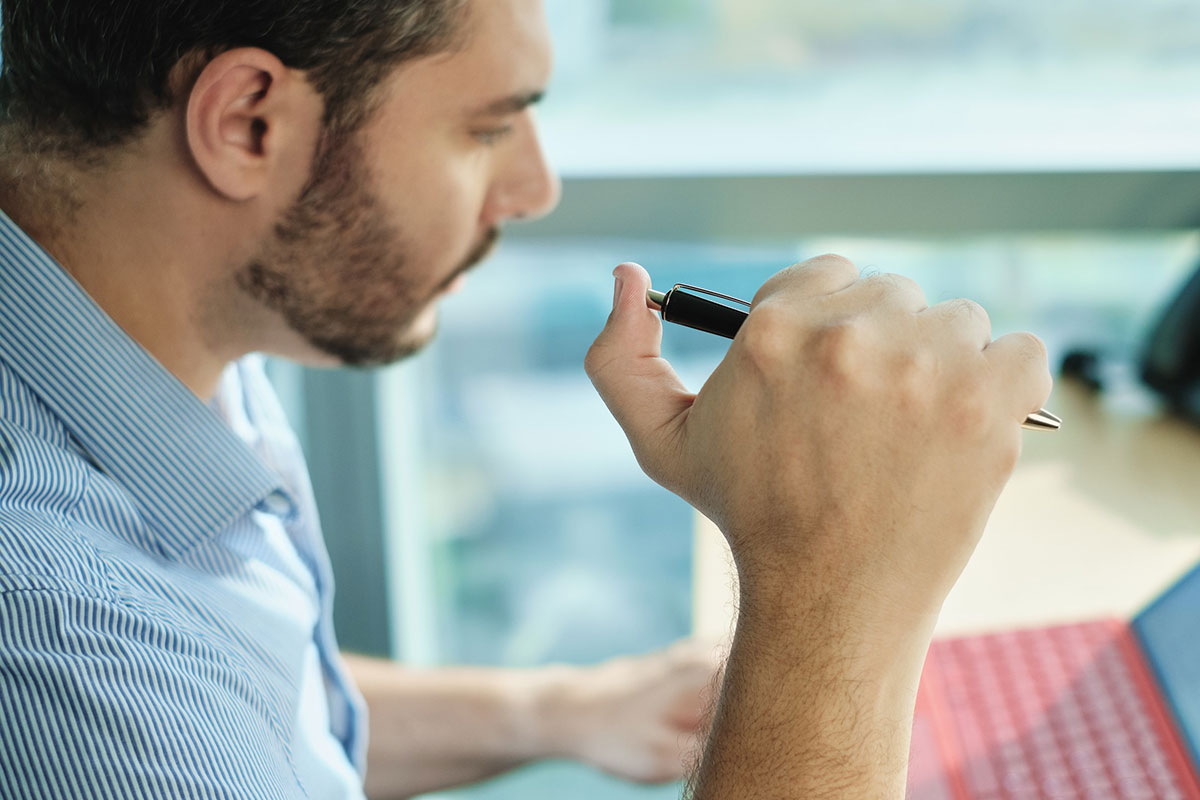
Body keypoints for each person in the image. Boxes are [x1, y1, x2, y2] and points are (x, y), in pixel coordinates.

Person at [0, 1, 1051, 799]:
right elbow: (134, 673)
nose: (535, 187)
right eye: (488, 128)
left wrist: (559, 707)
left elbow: (245, 689)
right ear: (248, 124)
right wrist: (835, 598)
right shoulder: (58, 632)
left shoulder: (143, 325)